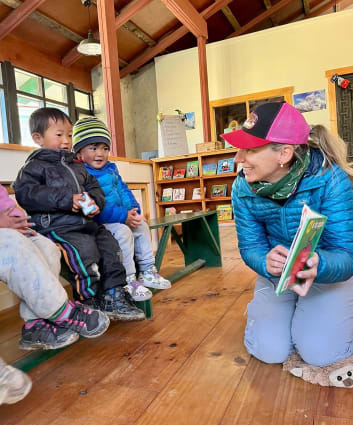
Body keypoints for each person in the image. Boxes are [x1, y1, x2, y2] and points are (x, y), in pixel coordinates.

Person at [221, 101, 353, 367]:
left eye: (250, 150)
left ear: (284, 154)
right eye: (238, 149)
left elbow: (347, 255)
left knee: (320, 353)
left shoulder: (331, 179)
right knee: (269, 350)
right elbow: (251, 248)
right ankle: (282, 312)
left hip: (327, 275)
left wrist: (320, 264)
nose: (238, 159)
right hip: (277, 276)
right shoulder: (241, 188)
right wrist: (264, 262)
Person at [13, 108, 145, 322]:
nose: (66, 140)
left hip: (88, 223)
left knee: (111, 249)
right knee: (85, 252)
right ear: (38, 138)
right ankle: (88, 301)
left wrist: (95, 202)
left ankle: (114, 295)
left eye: (69, 135)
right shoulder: (33, 167)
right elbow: (28, 194)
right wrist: (67, 199)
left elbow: (96, 190)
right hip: (58, 227)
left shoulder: (77, 166)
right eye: (59, 135)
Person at [72, 116, 171, 301]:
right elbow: (92, 206)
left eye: (104, 148)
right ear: (79, 152)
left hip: (120, 216)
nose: (100, 153)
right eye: (93, 148)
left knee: (141, 225)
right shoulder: (80, 175)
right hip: (99, 223)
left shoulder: (111, 169)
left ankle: (148, 270)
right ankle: (129, 279)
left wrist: (133, 209)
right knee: (124, 232)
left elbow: (123, 190)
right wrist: (123, 216)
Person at [0, 184, 109, 349]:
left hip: (12, 230)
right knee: (12, 243)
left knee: (47, 247)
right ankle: (62, 311)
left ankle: (34, 324)